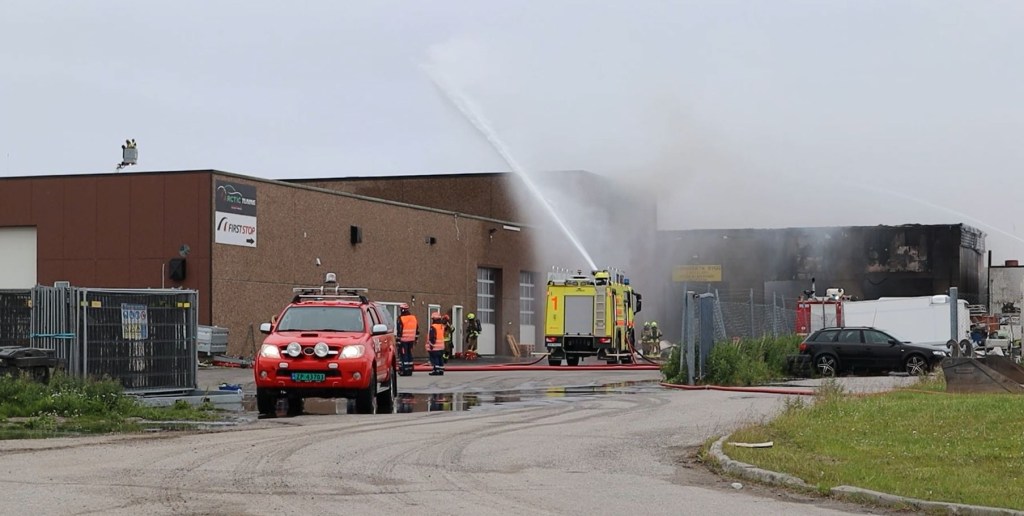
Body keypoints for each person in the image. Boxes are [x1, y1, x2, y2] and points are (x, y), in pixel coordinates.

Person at [396, 304, 419, 376]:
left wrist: (398, 340)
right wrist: (416, 338)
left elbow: (399, 330)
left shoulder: (401, 318)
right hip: (411, 339)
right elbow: (417, 329)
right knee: (409, 354)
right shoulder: (413, 318)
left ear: (402, 310)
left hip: (404, 340)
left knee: (403, 354)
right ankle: (409, 369)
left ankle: (404, 369)